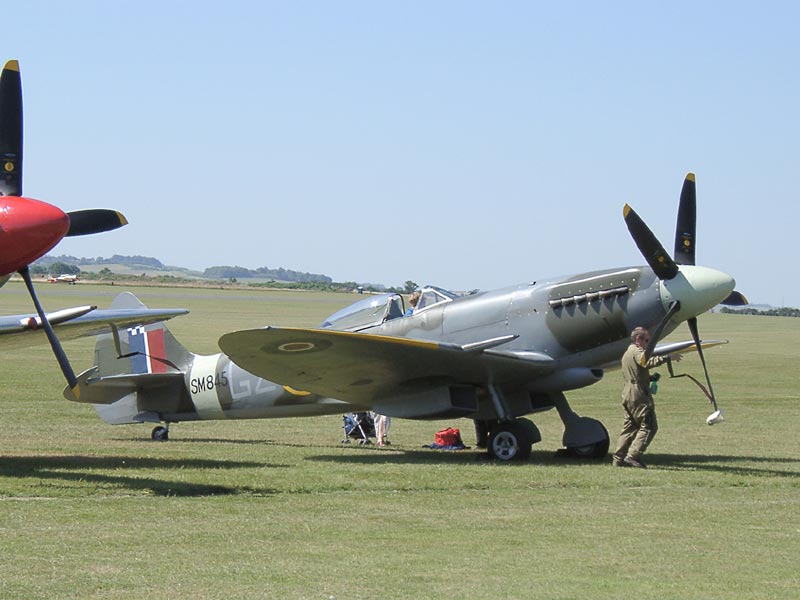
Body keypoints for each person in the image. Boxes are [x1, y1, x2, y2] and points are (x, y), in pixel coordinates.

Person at [612, 326, 681, 468]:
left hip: (628, 392)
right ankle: (633, 456)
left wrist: (649, 378)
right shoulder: (637, 351)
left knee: (629, 428)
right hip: (638, 394)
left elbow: (635, 372)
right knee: (649, 425)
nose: (649, 344)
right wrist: (667, 358)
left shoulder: (627, 353)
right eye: (647, 340)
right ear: (638, 339)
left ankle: (617, 460)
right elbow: (645, 362)